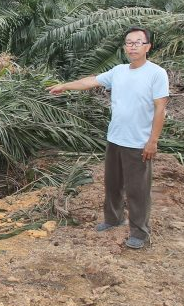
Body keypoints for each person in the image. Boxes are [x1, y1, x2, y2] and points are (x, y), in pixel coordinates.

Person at [47, 27, 169, 249]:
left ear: (148, 47)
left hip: (138, 142)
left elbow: (160, 109)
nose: (132, 46)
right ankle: (113, 219)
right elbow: (91, 81)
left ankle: (139, 233)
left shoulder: (156, 73)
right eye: (129, 42)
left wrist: (153, 140)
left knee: (137, 190)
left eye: (138, 42)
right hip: (115, 138)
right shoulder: (119, 71)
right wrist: (65, 86)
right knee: (113, 184)